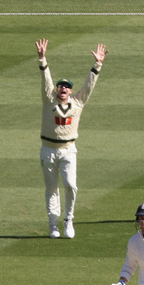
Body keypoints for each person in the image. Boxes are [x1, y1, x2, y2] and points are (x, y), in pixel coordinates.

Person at [36, 39, 107, 239]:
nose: (64, 89)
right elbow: (46, 81)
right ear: (57, 90)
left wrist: (97, 64)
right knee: (51, 189)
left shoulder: (77, 102)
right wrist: (43, 60)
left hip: (68, 150)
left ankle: (68, 220)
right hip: (48, 149)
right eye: (61, 87)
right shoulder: (48, 100)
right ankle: (53, 225)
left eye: (67, 87)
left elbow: (88, 86)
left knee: (71, 185)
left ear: (70, 90)